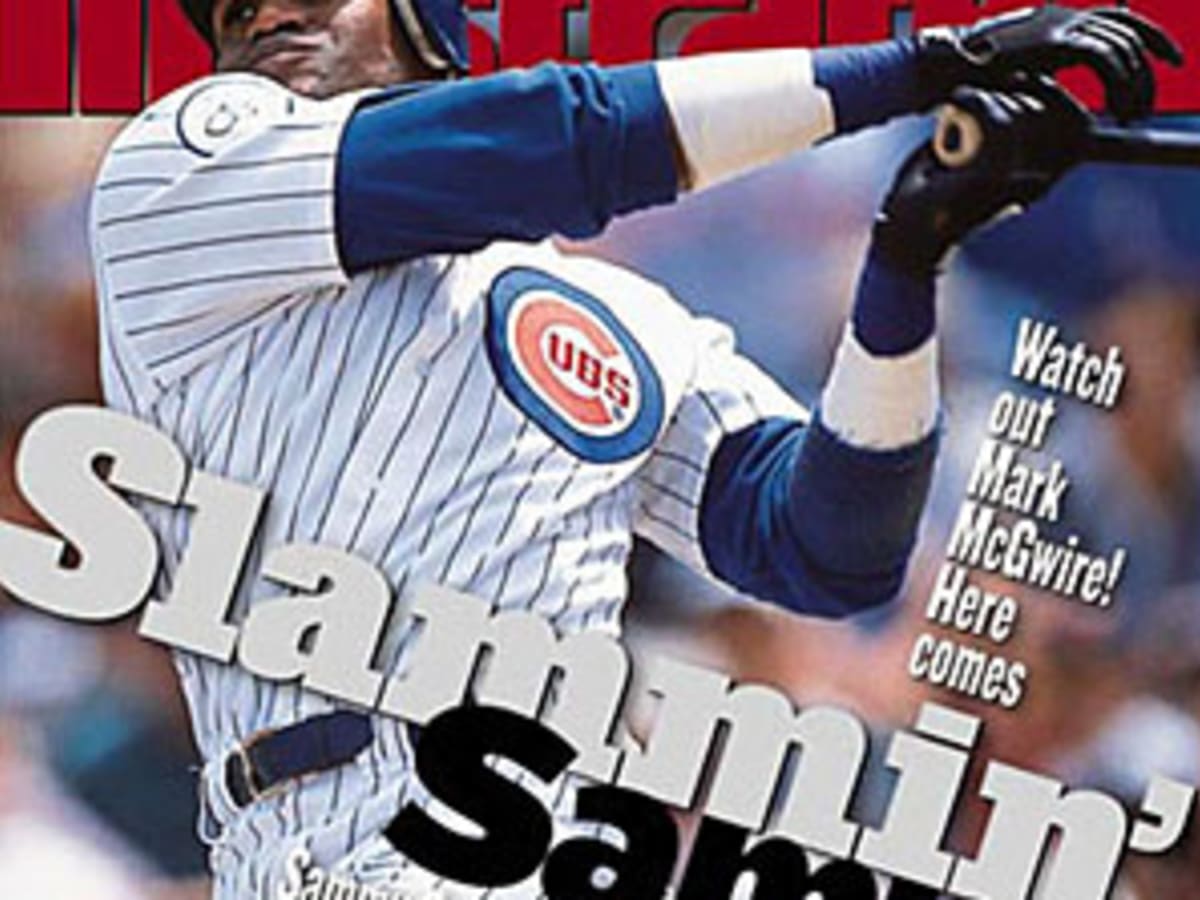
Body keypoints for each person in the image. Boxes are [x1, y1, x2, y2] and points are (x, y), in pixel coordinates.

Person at [87, 2, 1178, 896]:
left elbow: (827, 548)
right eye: (231, 12)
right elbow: (561, 140)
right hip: (329, 834)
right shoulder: (181, 174)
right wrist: (914, 68)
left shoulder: (612, 314)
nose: (264, 15)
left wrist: (906, 259)